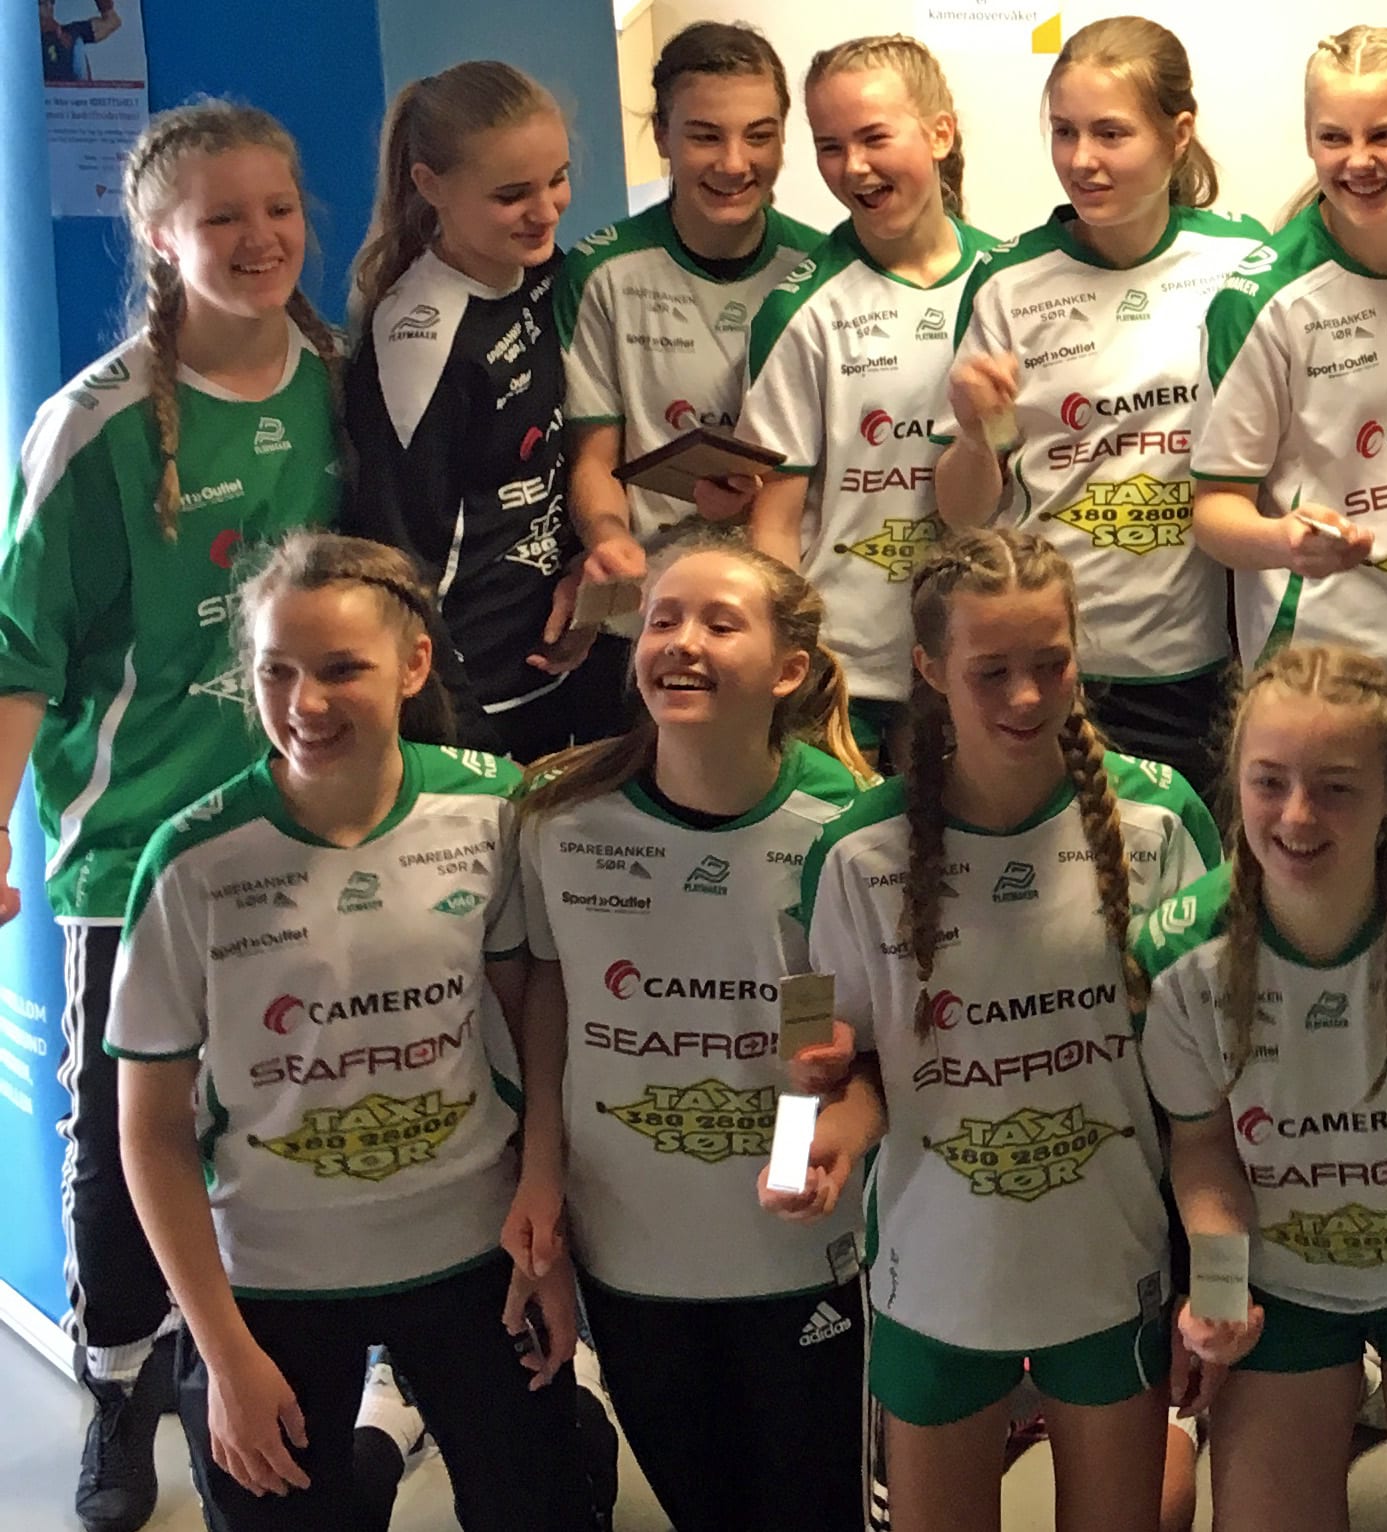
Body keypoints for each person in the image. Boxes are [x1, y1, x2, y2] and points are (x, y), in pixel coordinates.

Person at [0, 98, 346, 1532]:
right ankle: (118, 1392)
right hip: (132, 851)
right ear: (159, 237)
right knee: (119, 1140)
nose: (261, 238)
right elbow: (19, 649)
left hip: (300, 830)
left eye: (280, 208)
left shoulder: (340, 383)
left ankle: (263, 1368)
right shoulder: (92, 423)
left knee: (288, 1106)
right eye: (222, 217)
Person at [106, 532, 596, 1531]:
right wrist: (223, 1355)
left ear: (413, 665)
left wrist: (546, 1225)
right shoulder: (192, 860)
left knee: (543, 1502)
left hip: (472, 1250)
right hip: (270, 1282)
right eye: (275, 671)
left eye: (341, 669)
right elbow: (150, 1131)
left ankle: (418, 1438)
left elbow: (532, 1012)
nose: (305, 703)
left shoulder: (492, 807)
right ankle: (374, 1449)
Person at [772, 527, 1219, 1532]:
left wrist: (1217, 1282)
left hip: (1109, 1268)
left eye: (1050, 663)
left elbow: (1214, 1095)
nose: (1026, 696)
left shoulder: (1161, 822)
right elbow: (819, 1059)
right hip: (936, 1280)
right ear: (929, 669)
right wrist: (804, 1152)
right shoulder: (857, 850)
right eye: (991, 671)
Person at [504, 524, 874, 1531]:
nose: (684, 642)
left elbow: (825, 1039)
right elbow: (550, 1001)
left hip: (794, 1249)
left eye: (720, 622)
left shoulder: (849, 825)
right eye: (664, 619)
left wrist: (802, 1156)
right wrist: (541, 1174)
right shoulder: (557, 817)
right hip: (630, 1245)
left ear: (788, 668)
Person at [1140, 644, 1387, 1532]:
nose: (1297, 816)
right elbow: (1202, 1147)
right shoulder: (1179, 955)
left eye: (1335, 787)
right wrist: (1219, 1295)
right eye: (1269, 782)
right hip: (1283, 1289)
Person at [1188, 25, 1387, 883]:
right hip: (1320, 700)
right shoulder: (1263, 297)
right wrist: (1287, 542)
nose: (1359, 161)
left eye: (1386, 134)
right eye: (1334, 137)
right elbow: (1213, 512)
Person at [934, 16, 1262, 801]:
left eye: (1111, 133)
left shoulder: (1242, 263)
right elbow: (964, 512)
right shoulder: (1009, 283)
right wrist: (975, 438)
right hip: (1050, 670)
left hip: (1204, 671)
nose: (1082, 160)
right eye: (1064, 132)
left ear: (1178, 134)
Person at [345, 60, 621, 762]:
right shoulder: (420, 338)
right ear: (430, 185)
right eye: (511, 194)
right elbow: (400, 561)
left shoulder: (547, 272)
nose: (547, 210)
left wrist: (586, 581)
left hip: (558, 662)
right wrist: (462, 733)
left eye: (557, 179)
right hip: (475, 700)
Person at [741, 33, 995, 766]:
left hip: (980, 664)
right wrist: (797, 670)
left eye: (874, 137)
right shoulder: (800, 310)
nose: (853, 166)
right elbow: (773, 523)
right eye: (830, 146)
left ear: (940, 134)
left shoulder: (1010, 284)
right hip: (848, 680)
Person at [559, 23, 821, 577]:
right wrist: (609, 540)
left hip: (787, 584)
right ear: (662, 135)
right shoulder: (600, 271)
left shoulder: (821, 269)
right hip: (655, 591)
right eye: (706, 137)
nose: (734, 163)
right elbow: (593, 460)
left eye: (759, 136)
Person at [37, 0, 119, 82]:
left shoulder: (71, 32)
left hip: (70, 89)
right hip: (38, 87)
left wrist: (105, 6)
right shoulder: (30, 43)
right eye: (40, 3)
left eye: (51, 1)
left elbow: (112, 22)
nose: (49, 6)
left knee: (78, 44)